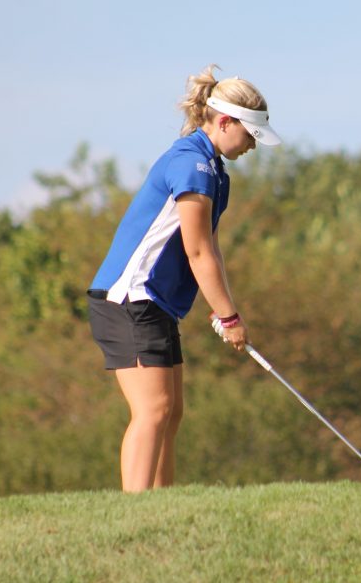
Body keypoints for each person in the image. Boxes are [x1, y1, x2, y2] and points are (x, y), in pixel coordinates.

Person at [86, 64, 281, 492]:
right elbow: (197, 252)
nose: (252, 146)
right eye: (249, 135)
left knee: (171, 413)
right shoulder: (192, 164)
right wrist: (229, 319)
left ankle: (163, 505)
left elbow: (210, 249)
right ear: (225, 122)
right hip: (128, 299)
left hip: (153, 303)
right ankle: (135, 514)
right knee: (153, 410)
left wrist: (224, 310)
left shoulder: (213, 170)